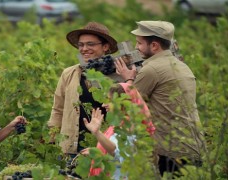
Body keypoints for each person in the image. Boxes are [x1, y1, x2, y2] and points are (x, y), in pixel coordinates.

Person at [114, 20, 206, 177]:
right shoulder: (181, 65)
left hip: (170, 150)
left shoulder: (151, 69)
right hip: (194, 146)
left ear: (155, 45)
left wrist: (127, 79)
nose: (136, 47)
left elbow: (130, 106)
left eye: (140, 43)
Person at [47, 22, 125, 163]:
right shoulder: (70, 73)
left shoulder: (119, 75)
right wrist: (52, 138)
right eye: (81, 45)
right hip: (71, 148)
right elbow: (58, 108)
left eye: (90, 44)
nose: (84, 49)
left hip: (105, 147)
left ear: (105, 46)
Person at [80, 82, 155, 179]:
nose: (104, 104)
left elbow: (121, 156)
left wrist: (97, 135)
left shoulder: (132, 127)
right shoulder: (119, 124)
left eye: (109, 100)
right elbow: (113, 149)